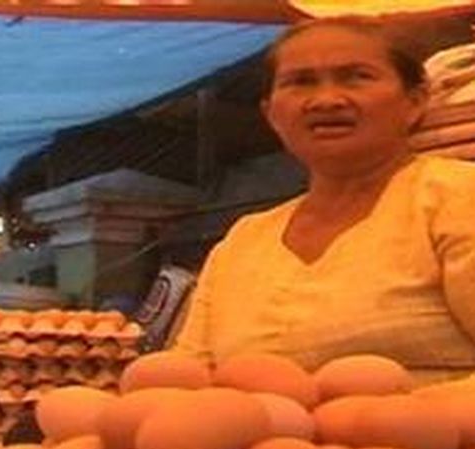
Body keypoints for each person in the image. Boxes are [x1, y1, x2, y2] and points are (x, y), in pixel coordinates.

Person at [173, 16, 475, 382]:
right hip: (252, 420)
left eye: (357, 76)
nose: (326, 100)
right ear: (271, 114)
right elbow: (189, 376)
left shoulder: (456, 197)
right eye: (300, 82)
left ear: (414, 101)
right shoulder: (242, 241)